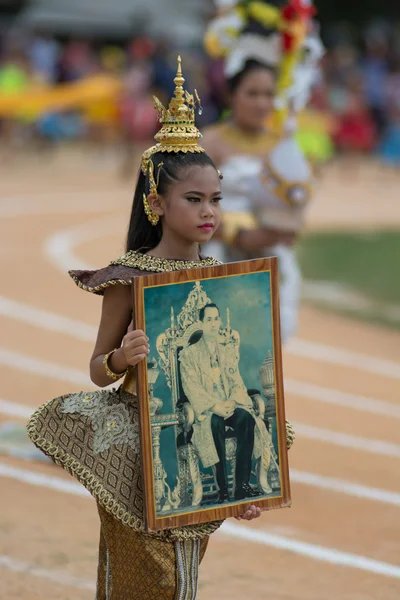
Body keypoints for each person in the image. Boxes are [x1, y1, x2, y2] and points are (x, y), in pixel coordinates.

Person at [27, 57, 289, 600]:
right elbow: (98, 370)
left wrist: (252, 481)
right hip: (135, 443)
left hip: (201, 436)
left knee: (184, 576)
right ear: (156, 203)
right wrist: (123, 358)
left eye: (215, 199)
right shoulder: (129, 278)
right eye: (193, 199)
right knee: (145, 578)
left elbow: (241, 381)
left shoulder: (225, 282)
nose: (208, 211)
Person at [202, 0, 320, 343]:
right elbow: (189, 205)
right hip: (216, 256)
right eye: (252, 93)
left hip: (270, 258)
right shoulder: (210, 143)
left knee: (265, 352)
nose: (261, 103)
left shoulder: (282, 147)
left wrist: (281, 232)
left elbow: (297, 203)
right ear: (232, 95)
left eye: (268, 94)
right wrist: (238, 236)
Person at [179, 303, 260, 503]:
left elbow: (236, 381)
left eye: (216, 319)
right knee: (215, 424)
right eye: (209, 320)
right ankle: (223, 489)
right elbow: (191, 387)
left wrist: (232, 401)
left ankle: (241, 486)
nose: (214, 324)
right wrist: (215, 406)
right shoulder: (189, 355)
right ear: (201, 323)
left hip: (229, 405)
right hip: (207, 411)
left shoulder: (227, 351)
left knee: (247, 419)